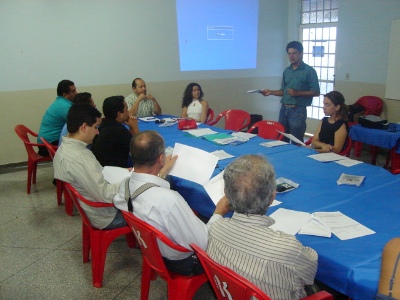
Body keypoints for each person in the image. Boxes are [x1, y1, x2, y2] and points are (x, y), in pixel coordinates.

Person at [113, 130, 230, 275]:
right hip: (183, 262)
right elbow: (203, 243)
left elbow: (147, 191)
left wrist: (162, 172)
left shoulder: (125, 184)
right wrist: (218, 212)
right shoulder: (169, 200)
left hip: (154, 251)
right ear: (161, 159)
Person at [207, 154, 318, 299]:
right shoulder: (287, 247)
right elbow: (310, 272)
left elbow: (214, 221)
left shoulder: (214, 227)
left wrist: (218, 212)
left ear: (226, 195)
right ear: (272, 197)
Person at [53, 104, 126, 230]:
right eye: (96, 127)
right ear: (84, 127)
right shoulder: (79, 158)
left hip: (93, 208)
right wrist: (131, 181)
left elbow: (93, 175)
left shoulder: (64, 148)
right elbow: (105, 194)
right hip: (107, 216)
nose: (98, 132)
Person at [261, 41, 320, 143]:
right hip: (284, 109)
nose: (291, 56)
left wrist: (298, 93)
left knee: (296, 140)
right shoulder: (287, 71)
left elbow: (316, 92)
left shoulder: (309, 71)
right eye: (289, 53)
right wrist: (270, 92)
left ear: (301, 54)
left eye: (294, 53)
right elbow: (284, 91)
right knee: (281, 138)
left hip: (297, 110)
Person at [91, 96, 140, 168]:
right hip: (116, 173)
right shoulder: (119, 131)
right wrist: (135, 127)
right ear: (119, 114)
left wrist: (131, 128)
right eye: (126, 109)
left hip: (100, 168)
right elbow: (142, 150)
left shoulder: (103, 125)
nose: (128, 112)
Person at [37, 80, 77, 156]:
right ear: (65, 94)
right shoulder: (65, 107)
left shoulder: (60, 102)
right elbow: (78, 124)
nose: (77, 93)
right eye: (73, 91)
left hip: (45, 141)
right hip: (49, 145)